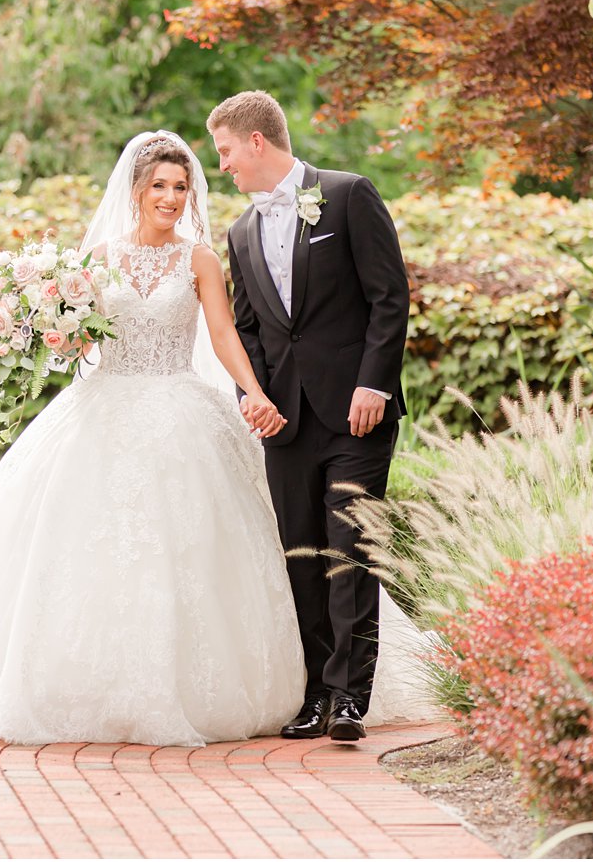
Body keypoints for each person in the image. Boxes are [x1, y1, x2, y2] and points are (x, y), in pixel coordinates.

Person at [0, 131, 305, 746]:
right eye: (159, 186)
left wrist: (254, 393)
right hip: (100, 410)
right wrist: (43, 331)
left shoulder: (201, 260)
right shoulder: (98, 260)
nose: (169, 197)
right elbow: (75, 337)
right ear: (135, 190)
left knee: (184, 546)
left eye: (180, 186)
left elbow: (222, 334)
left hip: (179, 408)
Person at [212, 90, 412, 741]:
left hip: (356, 415)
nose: (223, 166)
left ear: (258, 141)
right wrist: (252, 399)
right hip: (287, 424)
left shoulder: (349, 195)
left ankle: (352, 697)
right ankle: (315, 694)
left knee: (349, 550)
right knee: (302, 555)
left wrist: (374, 384)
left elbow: (390, 297)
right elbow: (248, 330)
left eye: (226, 150)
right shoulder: (240, 233)